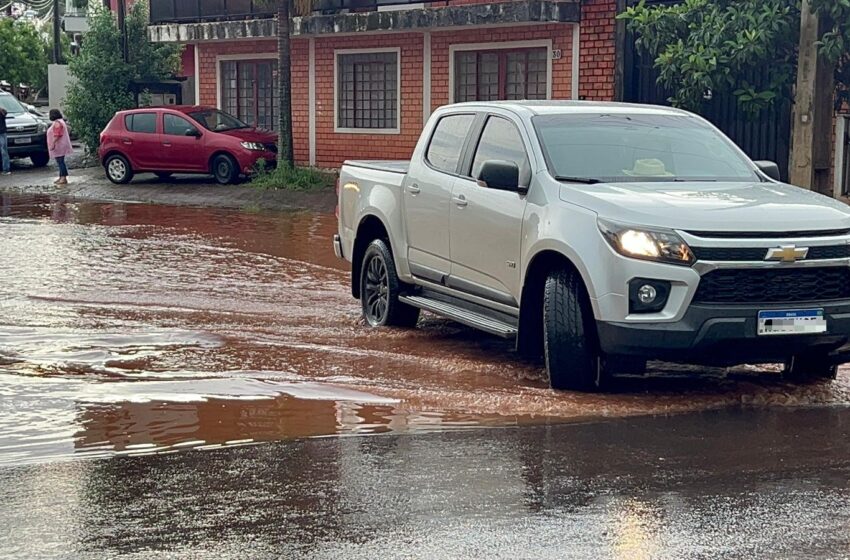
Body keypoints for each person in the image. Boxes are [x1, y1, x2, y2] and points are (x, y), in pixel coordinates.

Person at [47, 109, 72, 184]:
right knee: (60, 161)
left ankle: (63, 177)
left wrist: (53, 143)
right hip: (61, 144)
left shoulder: (57, 123)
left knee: (60, 161)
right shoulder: (61, 121)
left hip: (59, 145)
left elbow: (57, 135)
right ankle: (61, 176)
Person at [0, 106, 9, 176]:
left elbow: (5, 112)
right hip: (2, 133)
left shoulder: (1, 111)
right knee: (4, 151)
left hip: (2, 133)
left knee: (4, 151)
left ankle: (6, 169)